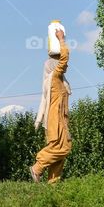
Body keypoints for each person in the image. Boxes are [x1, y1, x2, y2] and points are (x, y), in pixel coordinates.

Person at [30, 28, 72, 183]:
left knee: (59, 157)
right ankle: (37, 167)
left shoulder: (58, 80)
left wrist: (38, 121)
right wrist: (61, 39)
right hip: (56, 120)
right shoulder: (55, 76)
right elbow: (65, 59)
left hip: (60, 119)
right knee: (62, 149)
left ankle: (52, 186)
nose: (66, 68)